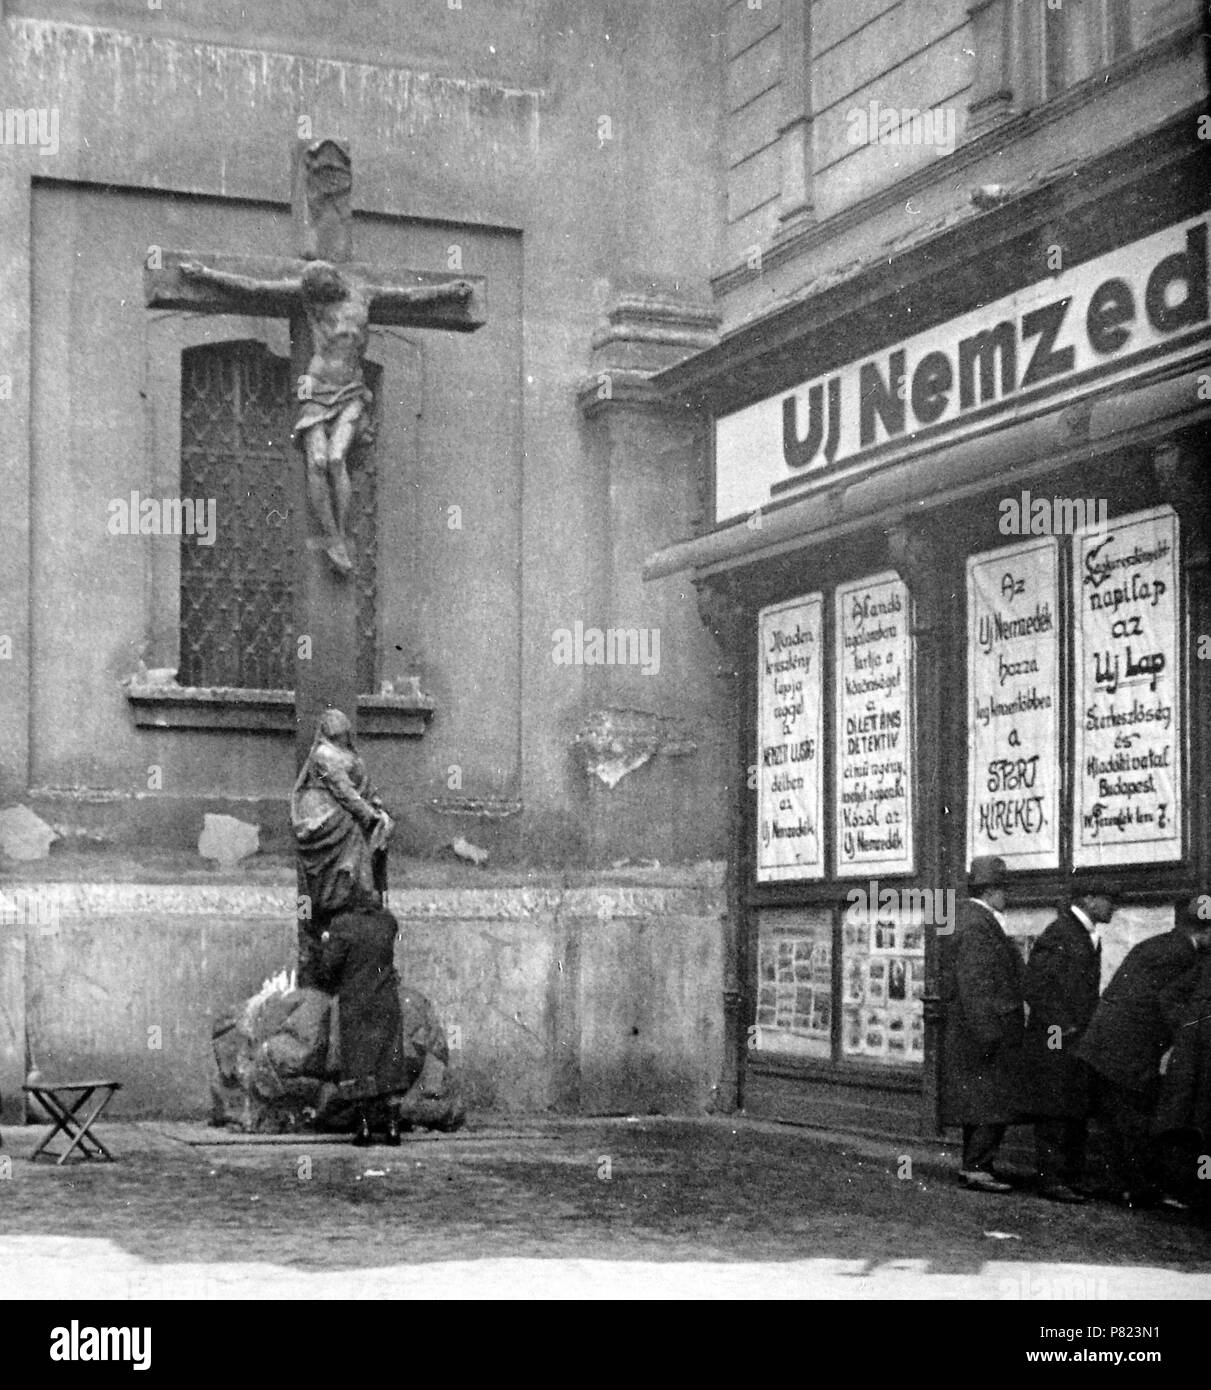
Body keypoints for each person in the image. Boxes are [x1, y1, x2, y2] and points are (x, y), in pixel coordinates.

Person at [179, 256, 472, 574]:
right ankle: (331, 538)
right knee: (317, 461)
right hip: (316, 390)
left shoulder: (363, 294)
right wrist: (206, 275)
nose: (321, 297)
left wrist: (447, 292)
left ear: (335, 281)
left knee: (336, 459)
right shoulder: (309, 299)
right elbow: (254, 287)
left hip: (350, 391)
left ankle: (342, 534)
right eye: (316, 293)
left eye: (325, 291)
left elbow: (410, 296)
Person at [1074, 894, 1211, 1209]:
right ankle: (1142, 1189)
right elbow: (1167, 1003)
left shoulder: (1161, 943)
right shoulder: (1184, 955)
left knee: (1115, 1120)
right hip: (1127, 1048)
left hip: (1105, 1042)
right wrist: (1191, 1040)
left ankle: (1124, 1186)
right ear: (1203, 932)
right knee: (1134, 1120)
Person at [1020, 881, 1119, 1204]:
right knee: (1054, 1109)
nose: (1113, 906)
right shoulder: (1061, 932)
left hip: (1076, 1040)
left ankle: (1072, 1177)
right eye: (1108, 899)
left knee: (1074, 1107)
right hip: (1056, 1040)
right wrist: (1064, 1027)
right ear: (1089, 899)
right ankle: (1052, 1180)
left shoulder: (1082, 932)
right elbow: (1035, 986)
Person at [941, 855, 1025, 1193]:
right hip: (985, 1030)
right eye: (1004, 890)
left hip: (974, 1029)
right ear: (991, 891)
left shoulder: (967, 918)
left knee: (980, 1102)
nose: (1008, 897)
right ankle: (976, 1167)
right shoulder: (978, 924)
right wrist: (990, 1032)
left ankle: (975, 1164)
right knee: (991, 1101)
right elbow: (975, 982)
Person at [291, 709, 394, 985]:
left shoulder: (350, 754)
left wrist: (378, 808)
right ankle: (337, 905)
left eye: (343, 731)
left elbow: (364, 789)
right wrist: (370, 816)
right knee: (339, 878)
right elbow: (344, 792)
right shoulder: (324, 755)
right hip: (327, 821)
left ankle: (355, 900)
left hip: (351, 820)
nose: (340, 735)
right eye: (336, 731)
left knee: (358, 868)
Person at [312, 890, 411, 1146]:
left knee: (359, 1065)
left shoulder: (343, 925)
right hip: (386, 1001)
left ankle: (364, 1130)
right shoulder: (388, 922)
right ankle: (392, 1129)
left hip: (356, 1004)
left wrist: (326, 942)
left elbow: (329, 967)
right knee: (389, 1062)